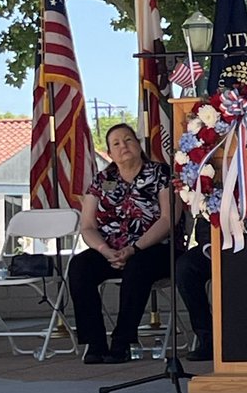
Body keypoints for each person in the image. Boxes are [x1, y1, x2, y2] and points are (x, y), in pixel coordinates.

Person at [69, 123, 172, 364]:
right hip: (111, 250)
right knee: (80, 267)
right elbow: (87, 226)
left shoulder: (160, 174)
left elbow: (168, 219)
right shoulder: (104, 179)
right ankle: (95, 344)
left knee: (138, 266)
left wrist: (134, 249)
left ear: (138, 144)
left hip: (154, 249)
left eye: (128, 140)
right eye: (116, 143)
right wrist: (105, 250)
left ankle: (122, 342)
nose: (123, 146)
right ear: (110, 153)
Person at [176, 219, 213, 363]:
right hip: (218, 243)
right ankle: (207, 340)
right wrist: (209, 246)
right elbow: (204, 215)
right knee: (186, 267)